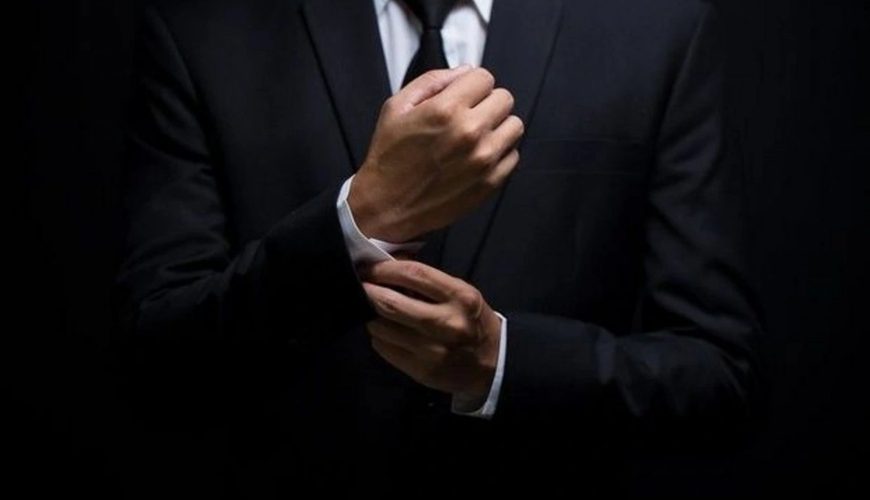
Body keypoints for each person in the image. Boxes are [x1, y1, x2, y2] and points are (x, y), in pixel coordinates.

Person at [114, 0, 768, 496]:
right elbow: (157, 359)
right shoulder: (203, 26)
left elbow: (718, 376)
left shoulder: (658, 25)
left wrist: (501, 363)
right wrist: (360, 219)